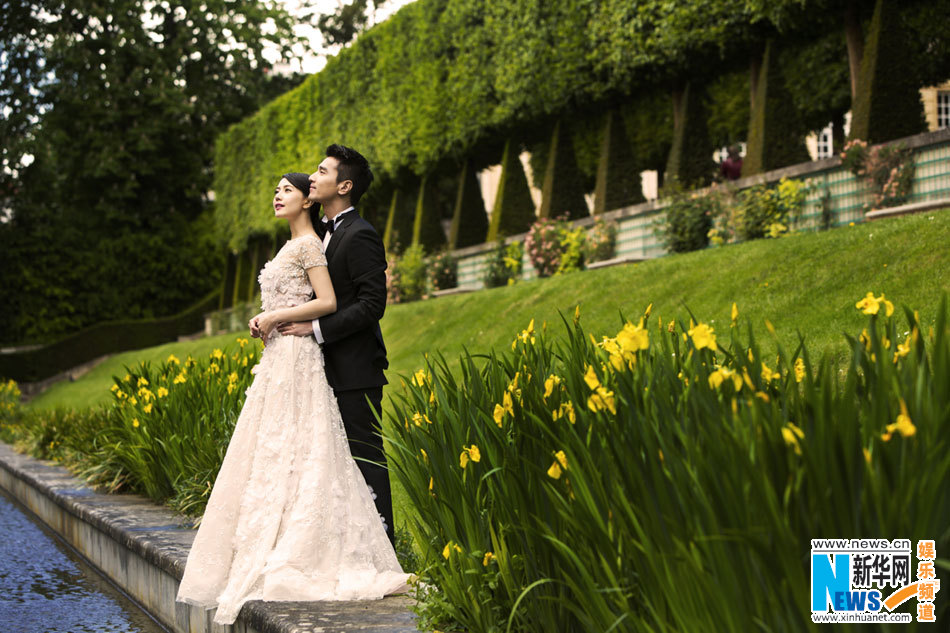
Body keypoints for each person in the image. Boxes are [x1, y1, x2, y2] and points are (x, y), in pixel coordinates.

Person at [175, 169, 408, 626]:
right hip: (284, 359)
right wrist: (267, 319)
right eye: (276, 189)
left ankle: (366, 550)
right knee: (282, 451)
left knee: (331, 450)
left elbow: (334, 301)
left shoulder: (316, 244)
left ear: (309, 199)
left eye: (288, 188)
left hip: (308, 356)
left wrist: (281, 316)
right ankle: (280, 535)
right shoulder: (297, 244)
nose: (278, 195)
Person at [276, 145, 395, 546]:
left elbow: (372, 304)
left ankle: (384, 549)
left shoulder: (361, 234)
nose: (313, 175)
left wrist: (316, 328)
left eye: (322, 170)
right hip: (317, 370)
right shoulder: (318, 235)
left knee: (365, 458)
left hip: (355, 369)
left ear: (343, 185)